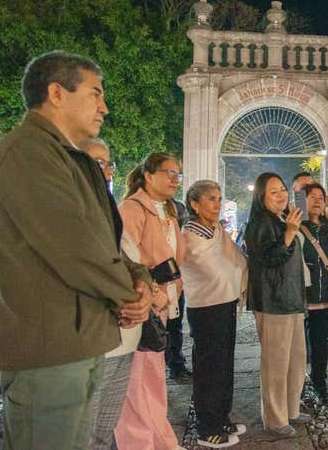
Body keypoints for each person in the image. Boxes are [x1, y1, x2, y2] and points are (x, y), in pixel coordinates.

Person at [0, 51, 150, 450]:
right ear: (56, 93)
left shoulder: (67, 158)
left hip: (78, 339)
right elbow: (73, 246)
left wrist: (139, 279)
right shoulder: (27, 153)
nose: (104, 106)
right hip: (49, 347)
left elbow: (101, 239)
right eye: (95, 93)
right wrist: (129, 293)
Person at [79, 137, 155, 450]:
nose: (107, 170)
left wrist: (144, 288)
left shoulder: (107, 211)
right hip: (89, 340)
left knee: (103, 430)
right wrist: (129, 295)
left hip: (123, 337)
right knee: (81, 432)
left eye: (108, 163)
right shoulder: (65, 209)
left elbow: (127, 261)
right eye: (97, 162)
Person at [114, 152, 187, 450]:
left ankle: (161, 439)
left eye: (177, 174)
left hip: (164, 306)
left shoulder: (168, 211)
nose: (174, 178)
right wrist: (152, 290)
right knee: (135, 385)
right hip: (141, 305)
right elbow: (125, 259)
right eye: (168, 172)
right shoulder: (132, 209)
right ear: (148, 175)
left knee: (154, 380)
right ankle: (139, 443)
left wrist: (175, 286)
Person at [181, 180, 248, 447]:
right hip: (206, 306)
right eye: (211, 199)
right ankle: (206, 427)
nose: (217, 204)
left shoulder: (216, 229)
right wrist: (232, 273)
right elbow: (212, 268)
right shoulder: (190, 233)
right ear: (195, 204)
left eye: (219, 198)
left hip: (226, 301)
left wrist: (235, 275)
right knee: (209, 367)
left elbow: (235, 260)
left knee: (225, 364)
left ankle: (221, 417)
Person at [245, 172, 310, 440]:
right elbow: (269, 258)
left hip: (292, 298)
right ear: (261, 197)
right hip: (272, 301)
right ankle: (274, 417)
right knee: (275, 363)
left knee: (296, 360)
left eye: (283, 189)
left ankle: (291, 409)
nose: (282, 194)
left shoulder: (283, 219)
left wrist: (290, 229)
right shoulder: (260, 222)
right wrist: (289, 234)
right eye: (274, 192)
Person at [301, 183, 328, 406]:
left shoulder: (326, 228)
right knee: (298, 346)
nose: (317, 200)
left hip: (323, 295)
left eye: (321, 197)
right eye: (312, 197)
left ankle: (320, 382)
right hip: (301, 295)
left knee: (320, 342)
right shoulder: (295, 226)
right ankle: (297, 386)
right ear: (302, 200)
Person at [166, 197, 192, 383]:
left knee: (174, 325)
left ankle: (176, 364)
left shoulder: (177, 208)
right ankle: (171, 364)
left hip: (176, 279)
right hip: (160, 280)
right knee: (165, 327)